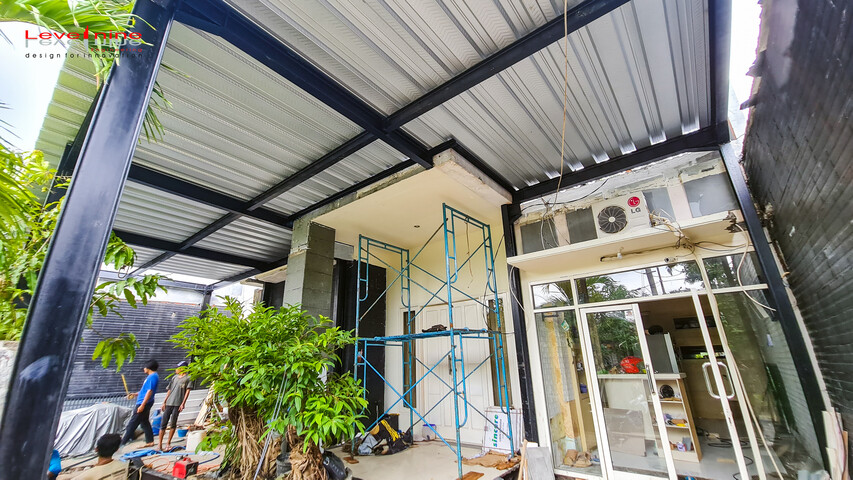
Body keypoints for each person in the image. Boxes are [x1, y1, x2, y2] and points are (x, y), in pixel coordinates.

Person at [121, 359, 159, 446]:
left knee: (132, 423)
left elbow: (149, 391)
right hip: (144, 401)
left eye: (145, 367)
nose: (143, 369)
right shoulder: (152, 376)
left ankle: (122, 443)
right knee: (144, 422)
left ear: (148, 368)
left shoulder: (152, 377)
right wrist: (135, 394)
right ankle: (150, 441)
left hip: (143, 402)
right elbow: (145, 390)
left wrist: (142, 405)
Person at [158, 360, 192, 451]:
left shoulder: (188, 378)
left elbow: (187, 391)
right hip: (169, 402)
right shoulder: (174, 378)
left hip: (177, 403)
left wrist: (183, 403)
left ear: (183, 369)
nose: (176, 369)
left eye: (178, 368)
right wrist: (164, 402)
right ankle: (159, 444)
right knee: (163, 423)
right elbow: (169, 390)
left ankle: (168, 443)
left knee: (173, 423)